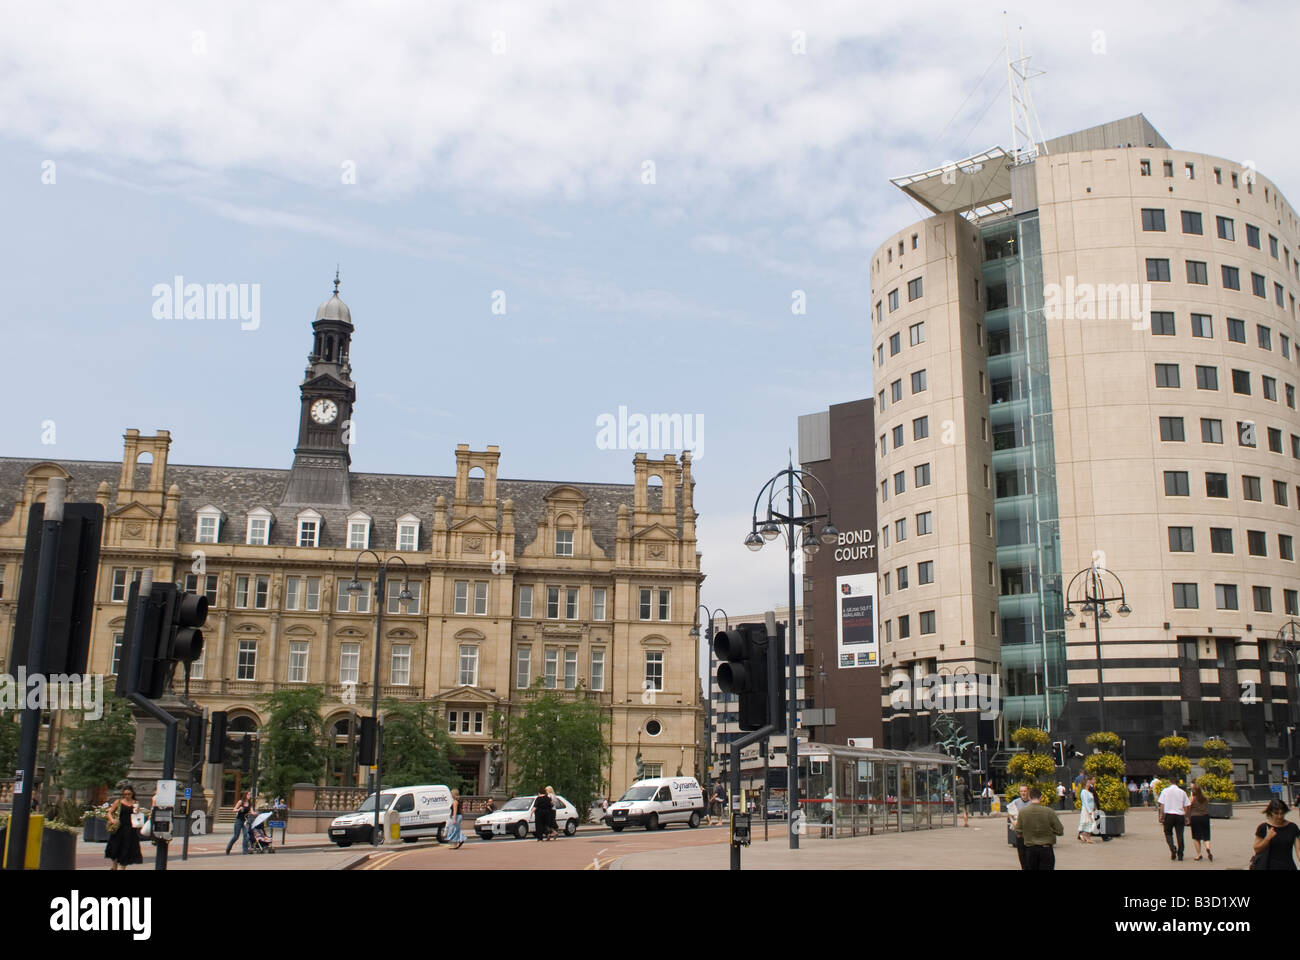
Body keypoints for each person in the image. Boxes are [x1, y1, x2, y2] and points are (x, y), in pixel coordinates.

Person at [1015, 787, 1065, 870]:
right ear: (1041, 797)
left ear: (1029, 797)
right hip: (1046, 849)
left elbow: (1018, 831)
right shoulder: (1049, 811)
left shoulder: (1023, 812)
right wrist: (1049, 831)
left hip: (1030, 849)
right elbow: (1060, 830)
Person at [1252, 798, 1300, 870]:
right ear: (1271, 812)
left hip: (1288, 866)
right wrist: (1267, 838)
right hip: (1268, 866)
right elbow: (1256, 849)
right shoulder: (1264, 827)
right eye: (1276, 813)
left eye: (1282, 813)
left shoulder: (1292, 827)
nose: (1279, 816)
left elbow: (1298, 850)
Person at [105, 785, 144, 870]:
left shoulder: (135, 803)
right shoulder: (118, 802)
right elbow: (109, 812)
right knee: (116, 847)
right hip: (119, 828)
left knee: (127, 848)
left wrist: (137, 811)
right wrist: (112, 820)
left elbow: (137, 815)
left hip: (130, 829)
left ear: (132, 793)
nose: (127, 796)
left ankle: (123, 867)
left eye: (129, 794)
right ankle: (114, 866)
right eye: (125, 794)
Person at [1157, 778, 1190, 861]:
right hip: (1179, 815)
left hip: (1169, 815)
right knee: (1180, 834)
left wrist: (1161, 815)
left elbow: (1162, 805)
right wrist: (1186, 816)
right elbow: (1186, 805)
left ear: (1170, 782)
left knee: (1168, 833)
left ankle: (1172, 848)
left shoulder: (1165, 791)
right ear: (1178, 783)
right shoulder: (1182, 792)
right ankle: (1180, 853)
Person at [1186, 780, 1212, 862]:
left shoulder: (1192, 799)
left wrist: (1187, 817)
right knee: (1206, 836)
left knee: (1196, 837)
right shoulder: (1205, 798)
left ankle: (1199, 854)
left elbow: (1188, 808)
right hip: (1205, 817)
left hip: (1195, 818)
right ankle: (1207, 848)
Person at [1007, 784, 1031, 869]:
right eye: (1021, 791)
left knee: (1029, 856)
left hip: (1029, 834)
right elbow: (1010, 813)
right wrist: (1012, 821)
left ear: (1028, 791)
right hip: (1019, 834)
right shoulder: (1016, 802)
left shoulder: (1031, 802)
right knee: (1022, 855)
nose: (1023, 793)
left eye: (1024, 791)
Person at [226, 790, 252, 855]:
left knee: (246, 835)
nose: (249, 796)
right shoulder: (240, 802)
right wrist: (238, 809)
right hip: (238, 821)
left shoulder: (249, 803)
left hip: (245, 821)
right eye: (248, 794)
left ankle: (245, 851)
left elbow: (252, 811)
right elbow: (234, 809)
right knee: (236, 836)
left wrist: (256, 814)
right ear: (245, 795)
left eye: (250, 795)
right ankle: (228, 849)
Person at [1077, 778, 1098, 843]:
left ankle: (1086, 837)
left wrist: (1094, 808)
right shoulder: (1083, 792)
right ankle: (1083, 835)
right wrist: (1089, 811)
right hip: (1086, 810)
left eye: (1089, 783)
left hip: (1090, 809)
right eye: (1088, 783)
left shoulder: (1088, 791)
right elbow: (1085, 802)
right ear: (1085, 784)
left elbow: (1091, 801)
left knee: (1090, 823)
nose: (1089, 784)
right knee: (1088, 822)